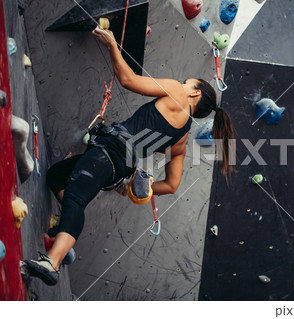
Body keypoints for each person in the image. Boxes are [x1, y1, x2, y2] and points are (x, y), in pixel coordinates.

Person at [25, 26, 236, 285]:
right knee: (57, 176)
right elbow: (171, 185)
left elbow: (127, 79)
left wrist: (112, 44)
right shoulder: (182, 138)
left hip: (110, 151)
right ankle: (63, 233)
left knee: (77, 199)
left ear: (194, 92)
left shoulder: (177, 92)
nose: (182, 83)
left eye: (187, 82)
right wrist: (132, 187)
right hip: (118, 168)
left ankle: (52, 262)